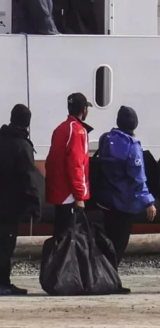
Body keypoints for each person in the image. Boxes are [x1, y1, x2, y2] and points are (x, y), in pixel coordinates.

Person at [94, 106, 157, 293]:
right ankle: (111, 281)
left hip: (106, 200)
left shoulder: (106, 139)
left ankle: (103, 277)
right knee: (119, 245)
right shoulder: (132, 145)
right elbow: (138, 177)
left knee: (109, 241)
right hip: (124, 202)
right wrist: (149, 201)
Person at [0, 105, 41, 296]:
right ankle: (3, 283)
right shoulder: (22, 146)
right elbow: (29, 178)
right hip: (9, 206)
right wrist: (34, 206)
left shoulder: (2, 140)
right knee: (6, 245)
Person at [45, 93, 92, 239]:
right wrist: (79, 195)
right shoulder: (78, 131)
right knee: (68, 237)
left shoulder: (61, 128)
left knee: (59, 234)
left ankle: (56, 260)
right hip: (69, 194)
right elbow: (76, 165)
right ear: (84, 110)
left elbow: (51, 160)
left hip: (59, 192)